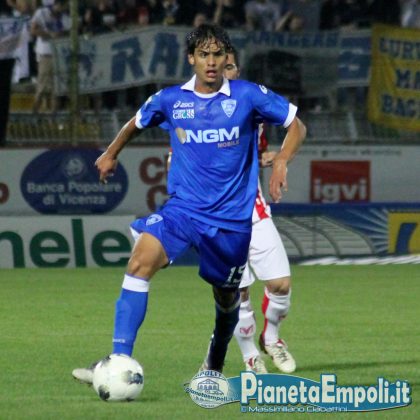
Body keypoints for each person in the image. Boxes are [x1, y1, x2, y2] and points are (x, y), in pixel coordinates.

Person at [72, 23, 306, 383]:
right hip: (183, 211)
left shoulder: (248, 96)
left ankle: (214, 362)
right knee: (140, 262)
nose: (211, 62)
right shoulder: (171, 100)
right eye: (203, 55)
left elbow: (297, 125)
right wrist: (111, 153)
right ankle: (119, 359)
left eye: (217, 54)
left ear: (226, 58)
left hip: (230, 222)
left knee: (227, 301)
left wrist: (283, 161)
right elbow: (136, 122)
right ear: (191, 58)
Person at [224, 48, 297, 374]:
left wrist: (277, 159)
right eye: (218, 65)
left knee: (281, 284)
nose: (223, 71)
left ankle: (271, 337)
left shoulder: (252, 105)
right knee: (238, 292)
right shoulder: (194, 110)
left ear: (237, 71)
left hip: (254, 210)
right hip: (220, 218)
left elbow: (295, 126)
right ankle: (250, 355)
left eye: (229, 66)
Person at [30, 0, 70, 113]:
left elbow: (69, 33)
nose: (62, 9)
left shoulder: (65, 17)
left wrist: (61, 34)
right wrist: (49, 34)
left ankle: (53, 114)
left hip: (59, 53)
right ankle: (35, 111)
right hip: (45, 53)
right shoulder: (42, 13)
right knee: (42, 85)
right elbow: (33, 30)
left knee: (56, 86)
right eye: (61, 6)